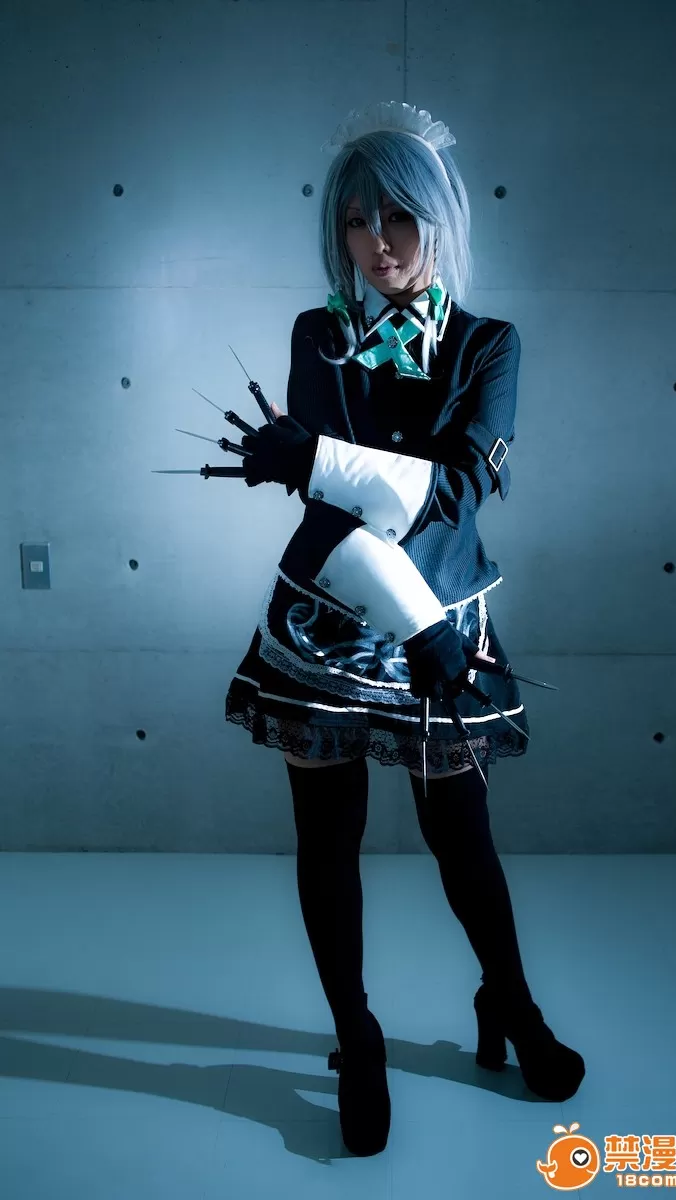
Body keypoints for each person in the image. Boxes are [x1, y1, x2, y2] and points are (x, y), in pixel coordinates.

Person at [225, 101, 584, 1156]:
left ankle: (508, 1003)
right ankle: (358, 1037)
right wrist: (327, 473)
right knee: (326, 839)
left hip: (442, 620)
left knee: (460, 835)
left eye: (398, 217)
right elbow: (334, 508)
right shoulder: (318, 335)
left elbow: (458, 493)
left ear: (439, 220)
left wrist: (320, 457)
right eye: (356, 219)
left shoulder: (487, 345)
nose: (378, 242)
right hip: (328, 619)